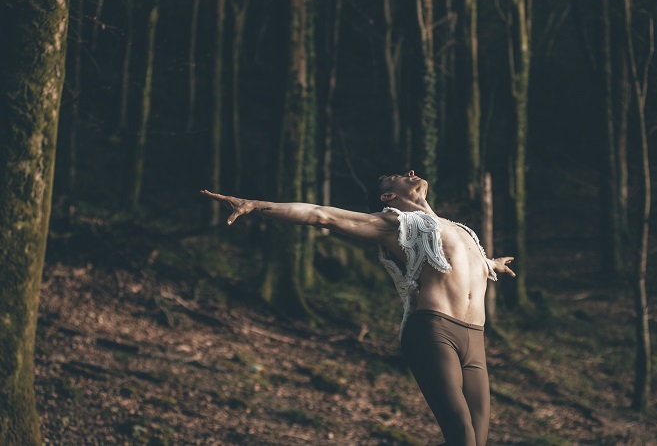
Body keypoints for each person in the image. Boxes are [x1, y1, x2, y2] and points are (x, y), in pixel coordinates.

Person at [201, 170, 515, 446]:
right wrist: (255, 206)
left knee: (478, 439)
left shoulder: (459, 230)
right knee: (463, 437)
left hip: (475, 341)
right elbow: (321, 215)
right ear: (389, 195)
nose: (410, 171)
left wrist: (492, 264)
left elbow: (466, 262)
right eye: (397, 175)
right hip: (435, 332)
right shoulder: (397, 224)